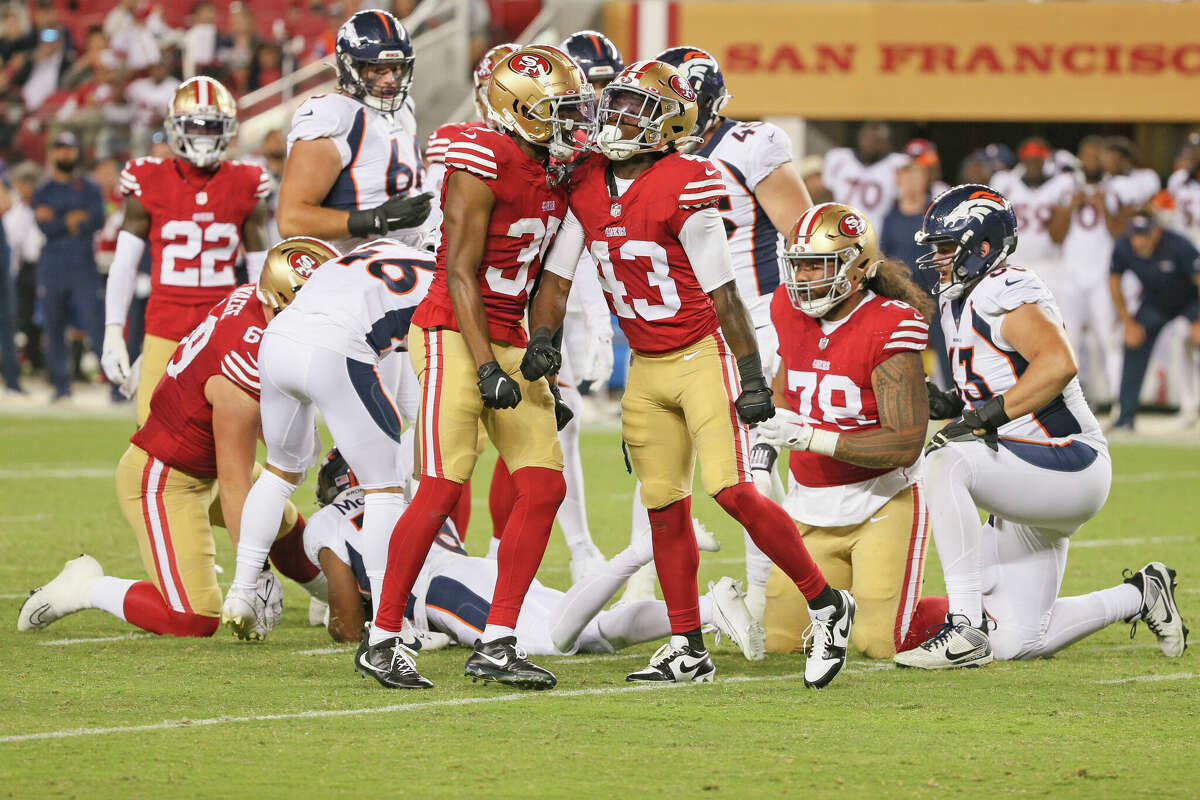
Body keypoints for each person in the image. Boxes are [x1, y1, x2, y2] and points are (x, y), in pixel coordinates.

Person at [528, 60, 852, 689]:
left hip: (705, 353)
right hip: (646, 367)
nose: (616, 117)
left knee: (732, 490)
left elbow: (726, 295)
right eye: (615, 103)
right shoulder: (588, 180)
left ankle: (825, 604)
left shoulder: (688, 181)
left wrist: (753, 376)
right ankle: (686, 646)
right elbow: (559, 276)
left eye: (634, 108)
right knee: (663, 506)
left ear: (668, 124)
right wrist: (544, 338)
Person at [358, 45, 595, 692]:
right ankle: (382, 638)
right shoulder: (481, 156)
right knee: (440, 489)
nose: (571, 124)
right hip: (451, 330)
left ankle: (498, 640)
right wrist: (488, 364)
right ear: (516, 111)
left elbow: (549, 276)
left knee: (543, 487)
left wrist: (543, 340)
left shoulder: (561, 170)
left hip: (510, 331)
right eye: (557, 112)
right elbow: (458, 271)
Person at [892, 185, 1187, 668]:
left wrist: (985, 417)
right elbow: (993, 387)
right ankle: (1141, 594)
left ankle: (964, 626)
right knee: (1018, 642)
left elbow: (1057, 364)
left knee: (942, 462)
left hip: (1070, 459)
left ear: (982, 247)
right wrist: (949, 402)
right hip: (1025, 471)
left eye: (947, 247)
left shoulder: (1003, 289)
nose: (938, 259)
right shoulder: (956, 301)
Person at [17, 238, 326, 639]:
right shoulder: (241, 364)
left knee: (284, 528)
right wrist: (254, 576)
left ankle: (341, 599)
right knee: (193, 618)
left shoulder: (255, 300)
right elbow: (234, 484)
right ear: (279, 300)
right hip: (166, 478)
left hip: (208, 459)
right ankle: (86, 587)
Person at [307, 449, 762, 662]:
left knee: (551, 644)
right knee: (596, 634)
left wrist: (347, 620)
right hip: (475, 569)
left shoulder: (327, 522)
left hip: (442, 591)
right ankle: (709, 608)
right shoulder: (397, 500)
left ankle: (640, 551)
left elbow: (347, 620)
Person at [651, 44, 813, 619]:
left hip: (759, 319)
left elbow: (805, 234)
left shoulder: (750, 145)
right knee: (666, 460)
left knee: (753, 464)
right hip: (690, 328)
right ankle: (653, 596)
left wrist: (806, 327)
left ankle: (773, 601)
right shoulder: (651, 150)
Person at [223, 236, 437, 643]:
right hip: (336, 347)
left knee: (279, 471)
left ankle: (241, 591)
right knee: (384, 488)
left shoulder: (382, 247)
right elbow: (423, 387)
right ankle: (390, 623)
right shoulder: (449, 280)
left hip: (280, 339)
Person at [757, 202, 947, 659]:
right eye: (797, 265)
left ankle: (977, 616)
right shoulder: (786, 308)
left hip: (881, 502)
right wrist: (768, 445)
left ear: (857, 268)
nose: (802, 279)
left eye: (815, 266)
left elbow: (904, 443)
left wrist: (812, 439)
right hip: (809, 505)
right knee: (783, 643)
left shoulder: (891, 322)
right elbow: (788, 384)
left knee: (880, 644)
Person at [101, 76, 271, 425]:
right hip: (164, 326)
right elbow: (124, 264)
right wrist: (112, 331)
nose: (203, 136)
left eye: (212, 128)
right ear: (175, 128)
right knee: (152, 440)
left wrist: (262, 330)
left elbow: (260, 272)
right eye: (195, 127)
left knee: (225, 440)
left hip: (222, 328)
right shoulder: (146, 177)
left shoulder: (247, 182)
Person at [275, 9, 432, 254]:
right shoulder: (335, 116)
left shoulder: (404, 108)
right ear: (350, 67)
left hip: (411, 258)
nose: (390, 79)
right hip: (357, 267)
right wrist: (375, 219)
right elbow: (290, 219)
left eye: (397, 68)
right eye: (379, 70)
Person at [1107, 212, 1200, 432]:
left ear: (1157, 232)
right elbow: (1113, 281)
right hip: (1156, 302)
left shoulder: (1179, 245)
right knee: (1133, 341)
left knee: (1193, 339)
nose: (1140, 241)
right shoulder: (1123, 246)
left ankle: (1191, 409)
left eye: (1145, 235)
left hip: (1190, 302)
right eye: (1136, 235)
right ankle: (1125, 417)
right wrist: (1128, 322)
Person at [33, 131, 105, 401]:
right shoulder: (44, 190)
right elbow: (44, 225)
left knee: (94, 322)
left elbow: (96, 219)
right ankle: (60, 386)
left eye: (69, 149)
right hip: (52, 265)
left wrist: (60, 220)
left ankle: (114, 386)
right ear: (52, 153)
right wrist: (70, 220)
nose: (64, 154)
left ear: (77, 153)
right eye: (60, 149)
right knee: (53, 325)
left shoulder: (89, 188)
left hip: (82, 264)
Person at [1058, 136, 1122, 404]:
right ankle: (1076, 401)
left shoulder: (1116, 188)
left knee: (1108, 338)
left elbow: (1120, 232)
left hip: (1102, 272)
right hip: (1072, 273)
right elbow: (1055, 235)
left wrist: (1102, 206)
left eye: (1097, 155)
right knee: (1069, 340)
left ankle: (1121, 400)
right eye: (1088, 155)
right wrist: (1069, 207)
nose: (1092, 160)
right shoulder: (1066, 187)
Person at [881, 156, 952, 385]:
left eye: (916, 178)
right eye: (906, 179)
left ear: (924, 180)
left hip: (935, 290)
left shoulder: (937, 213)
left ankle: (954, 396)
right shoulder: (890, 216)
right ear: (898, 182)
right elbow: (884, 255)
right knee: (899, 343)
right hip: (901, 292)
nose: (911, 184)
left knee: (946, 342)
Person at [988, 138, 1075, 306]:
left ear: (1045, 160)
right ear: (1022, 160)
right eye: (1029, 160)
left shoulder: (1060, 184)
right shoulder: (1005, 182)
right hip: (1015, 262)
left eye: (1037, 160)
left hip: (1049, 264)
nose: (1033, 164)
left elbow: (1059, 234)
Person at [822, 122, 907, 228]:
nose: (870, 144)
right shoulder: (839, 159)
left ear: (884, 142)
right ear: (859, 137)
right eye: (867, 138)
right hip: (841, 227)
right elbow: (826, 194)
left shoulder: (896, 164)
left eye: (875, 140)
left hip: (878, 231)